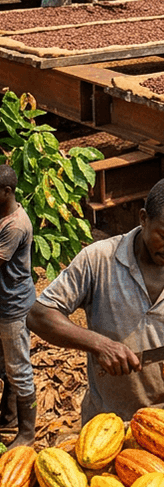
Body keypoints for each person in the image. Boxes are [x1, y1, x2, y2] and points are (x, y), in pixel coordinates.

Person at [27, 178, 164, 422]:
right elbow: (38, 315)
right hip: (108, 423)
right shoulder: (99, 260)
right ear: (143, 219)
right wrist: (99, 345)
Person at [0, 165, 37, 448]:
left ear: (7, 192)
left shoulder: (15, 226)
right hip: (4, 302)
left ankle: (27, 433)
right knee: (6, 363)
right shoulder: (3, 216)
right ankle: (9, 416)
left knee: (18, 368)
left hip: (13, 306)